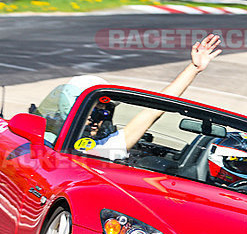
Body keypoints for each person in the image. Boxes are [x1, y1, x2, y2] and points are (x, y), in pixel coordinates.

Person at [80, 33, 222, 160]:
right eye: (92, 112)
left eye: (103, 112)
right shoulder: (57, 142)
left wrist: (193, 69)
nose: (97, 119)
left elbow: (154, 109)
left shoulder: (106, 147)